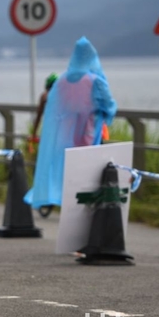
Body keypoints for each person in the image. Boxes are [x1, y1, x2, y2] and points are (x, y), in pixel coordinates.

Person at [24, 36, 117, 209]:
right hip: (90, 137)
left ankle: (69, 207)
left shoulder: (61, 81)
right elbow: (109, 105)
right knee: (92, 177)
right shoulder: (95, 81)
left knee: (70, 177)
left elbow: (55, 109)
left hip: (65, 139)